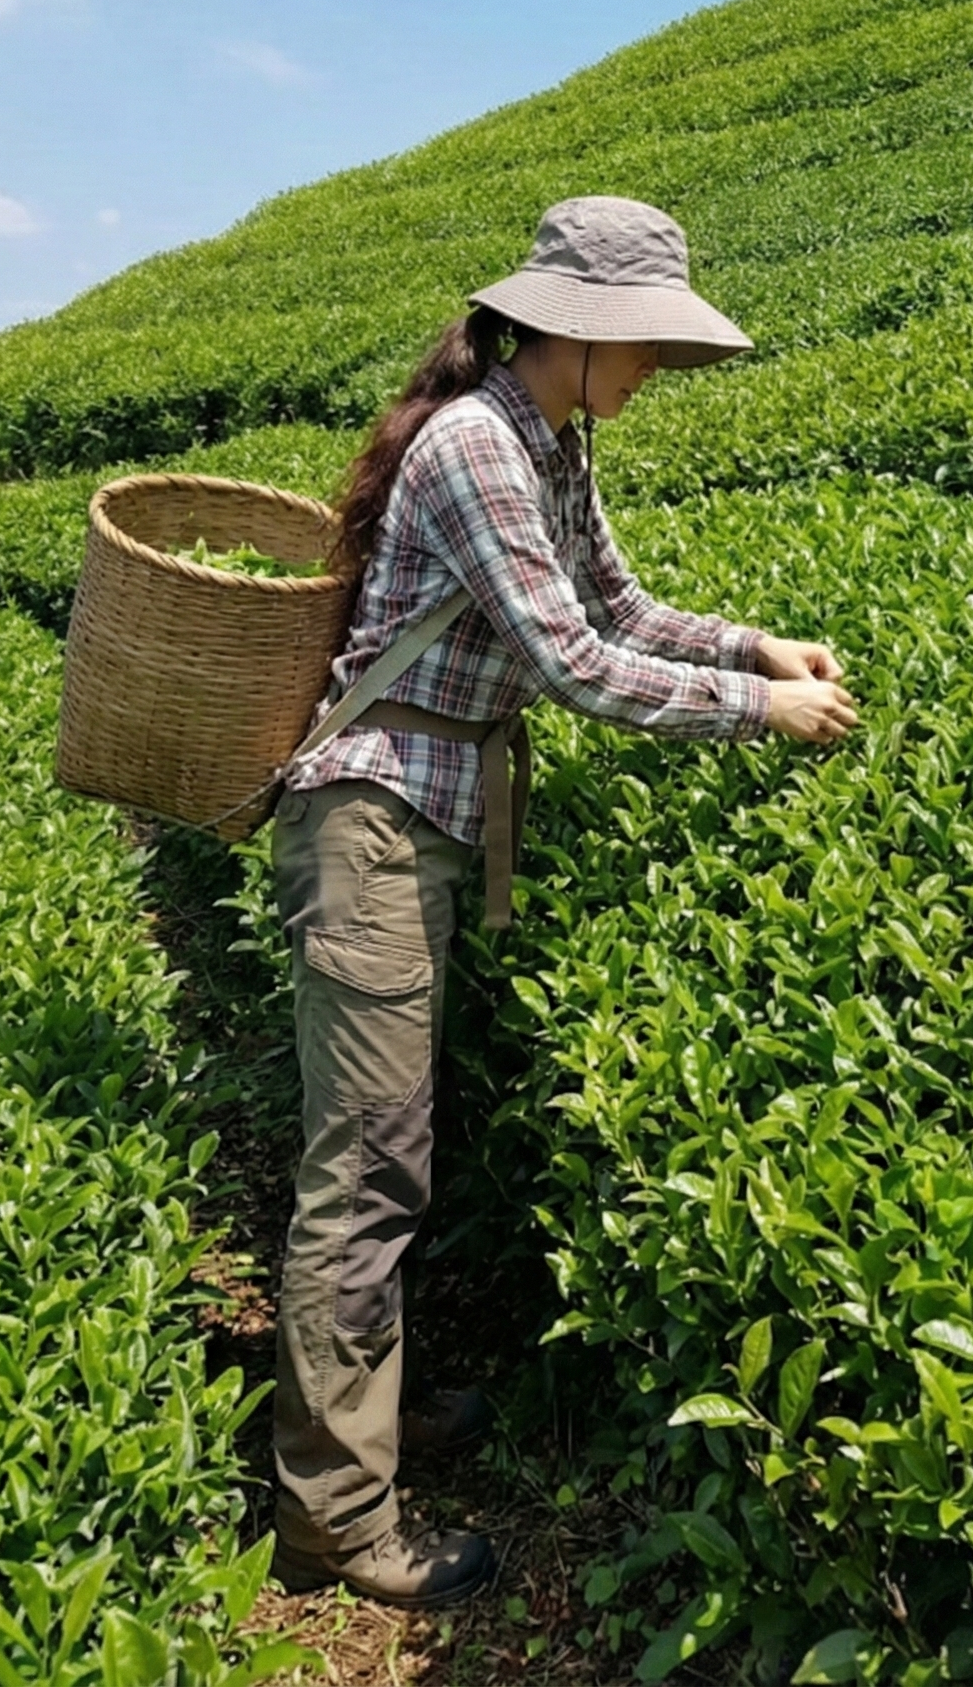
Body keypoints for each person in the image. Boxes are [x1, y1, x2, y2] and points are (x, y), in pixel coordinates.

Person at [268, 195, 857, 1608]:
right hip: (373, 827)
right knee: (364, 1175)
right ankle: (336, 1517)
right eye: (639, 345)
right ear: (567, 333)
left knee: (392, 1151)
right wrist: (756, 708)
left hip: (429, 824)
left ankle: (374, 1412)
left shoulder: (552, 441)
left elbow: (622, 608)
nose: (650, 372)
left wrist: (746, 639)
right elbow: (577, 666)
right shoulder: (479, 447)